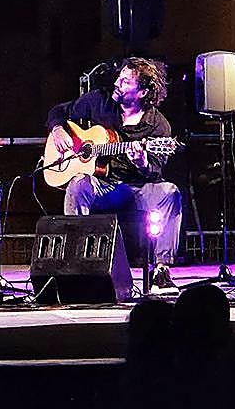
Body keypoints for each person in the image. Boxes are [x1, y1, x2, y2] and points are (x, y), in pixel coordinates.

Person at [46, 56, 182, 294]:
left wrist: (142, 163)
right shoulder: (100, 100)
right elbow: (58, 111)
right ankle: (77, 265)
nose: (117, 83)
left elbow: (154, 171)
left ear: (142, 93)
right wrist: (57, 129)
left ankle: (161, 272)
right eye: (120, 77)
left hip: (137, 188)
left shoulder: (159, 126)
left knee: (170, 193)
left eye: (126, 81)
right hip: (103, 186)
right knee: (77, 184)